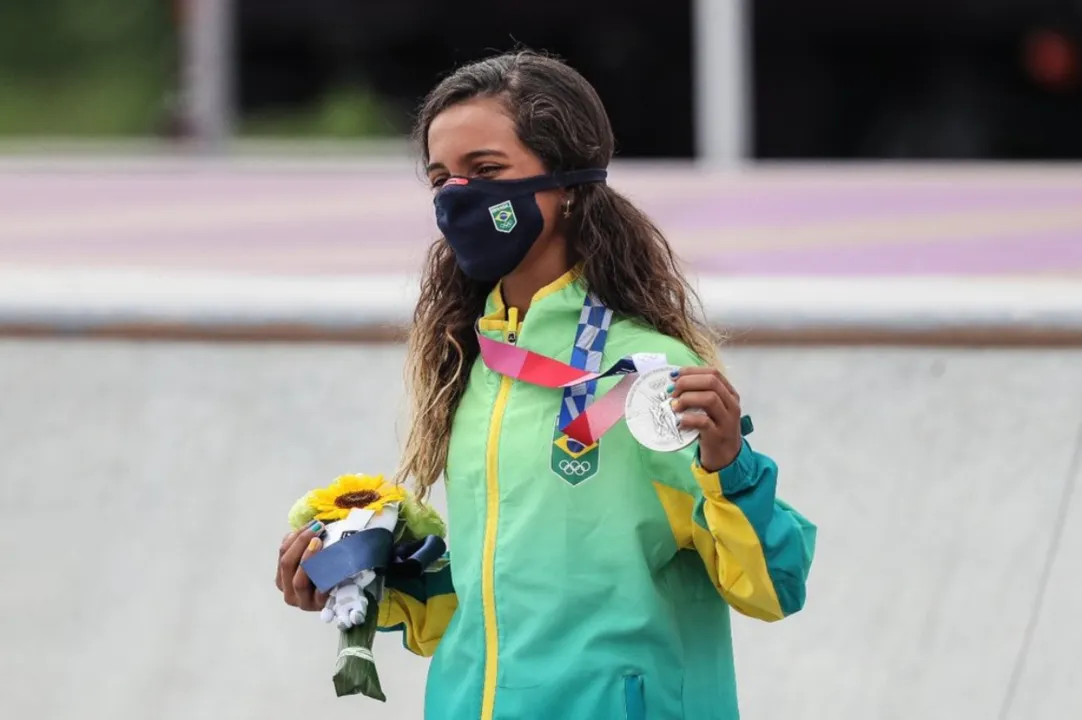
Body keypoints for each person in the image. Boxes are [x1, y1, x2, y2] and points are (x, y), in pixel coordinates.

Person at [276, 49, 816, 720]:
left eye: (487, 171)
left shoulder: (647, 373)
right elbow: (488, 608)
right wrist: (360, 581)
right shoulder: (471, 369)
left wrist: (729, 463)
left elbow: (772, 584)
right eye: (440, 178)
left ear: (566, 185)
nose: (456, 197)